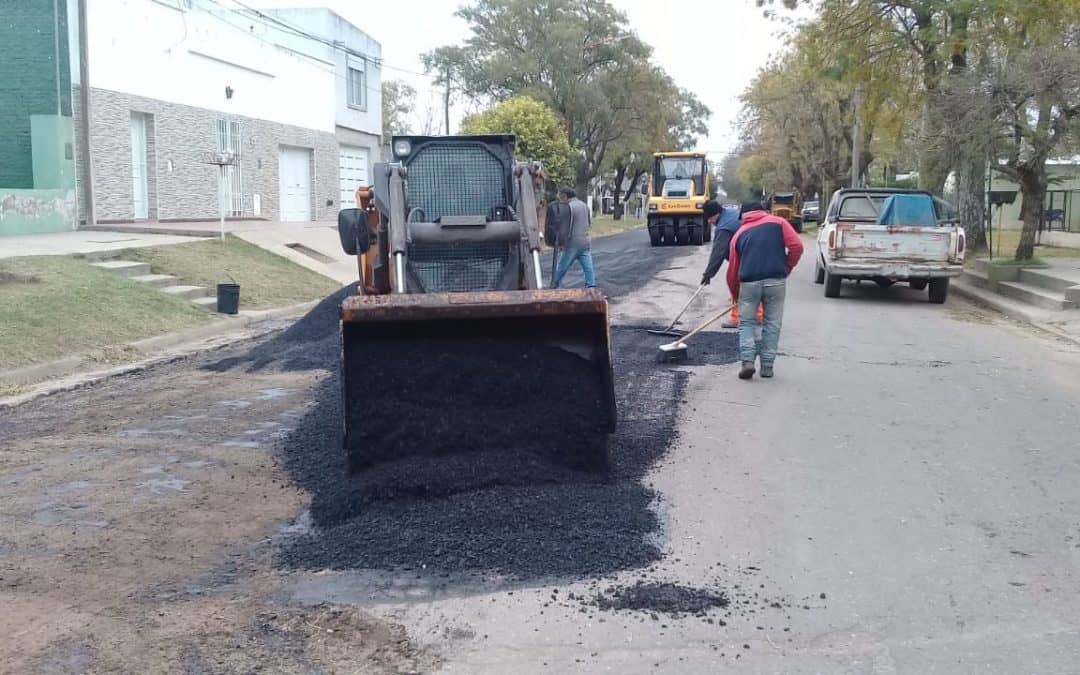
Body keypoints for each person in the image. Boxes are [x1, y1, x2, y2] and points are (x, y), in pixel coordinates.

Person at [726, 200, 804, 380]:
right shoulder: (779, 223)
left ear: (744, 216)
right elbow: (797, 247)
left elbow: (732, 272)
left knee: (746, 323)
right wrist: (786, 267)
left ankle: (747, 361)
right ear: (763, 210)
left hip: (749, 282)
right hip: (776, 280)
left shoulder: (739, 235)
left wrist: (735, 294)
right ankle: (767, 367)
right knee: (772, 323)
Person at [699, 201, 762, 328]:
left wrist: (708, 274)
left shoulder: (723, 228)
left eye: (709, 218)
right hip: (758, 253)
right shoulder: (731, 213)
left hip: (746, 256)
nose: (709, 222)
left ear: (715, 215)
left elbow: (718, 254)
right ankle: (759, 315)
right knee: (752, 285)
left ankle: (737, 318)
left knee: (736, 283)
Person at [552, 187, 596, 289]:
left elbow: (566, 226)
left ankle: (554, 285)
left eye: (561, 197)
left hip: (573, 242)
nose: (561, 200)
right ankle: (591, 286)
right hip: (585, 241)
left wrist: (562, 243)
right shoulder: (584, 206)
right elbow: (589, 223)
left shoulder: (568, 207)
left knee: (562, 266)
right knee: (588, 267)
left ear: (565, 196)